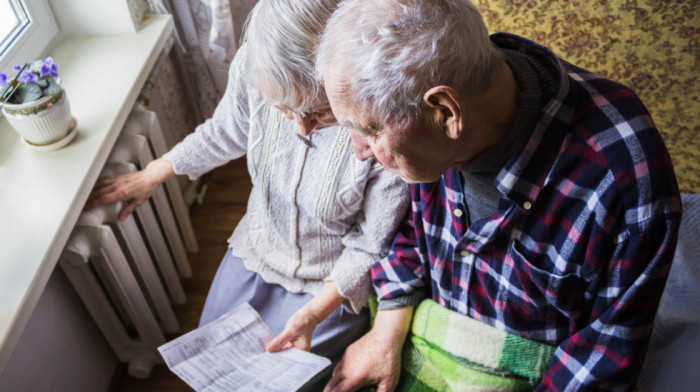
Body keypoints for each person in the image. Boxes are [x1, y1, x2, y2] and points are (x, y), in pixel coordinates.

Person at [315, 0, 682, 391]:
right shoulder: (424, 117)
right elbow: (404, 231)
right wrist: (384, 333)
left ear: (445, 113)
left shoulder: (623, 181)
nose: (360, 150)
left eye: (370, 129)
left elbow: (599, 363)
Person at [87, 0, 409, 365]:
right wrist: (153, 173)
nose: (301, 128)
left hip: (331, 282)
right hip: (257, 249)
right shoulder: (256, 67)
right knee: (208, 359)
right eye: (284, 110)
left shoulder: (382, 127)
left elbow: (369, 247)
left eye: (318, 111)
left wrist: (314, 315)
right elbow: (226, 131)